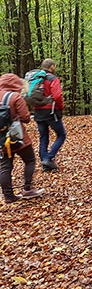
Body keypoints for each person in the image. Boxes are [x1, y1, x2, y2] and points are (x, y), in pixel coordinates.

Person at [0, 73, 45, 203]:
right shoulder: (15, 97)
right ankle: (27, 189)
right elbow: (25, 118)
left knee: (5, 166)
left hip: (2, 139)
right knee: (30, 160)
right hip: (17, 137)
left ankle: (8, 196)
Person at [34, 58, 66, 172]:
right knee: (61, 135)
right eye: (54, 66)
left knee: (43, 137)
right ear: (52, 67)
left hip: (37, 112)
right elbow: (57, 96)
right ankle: (48, 158)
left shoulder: (36, 78)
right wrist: (61, 107)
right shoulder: (53, 79)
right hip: (51, 112)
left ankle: (44, 164)